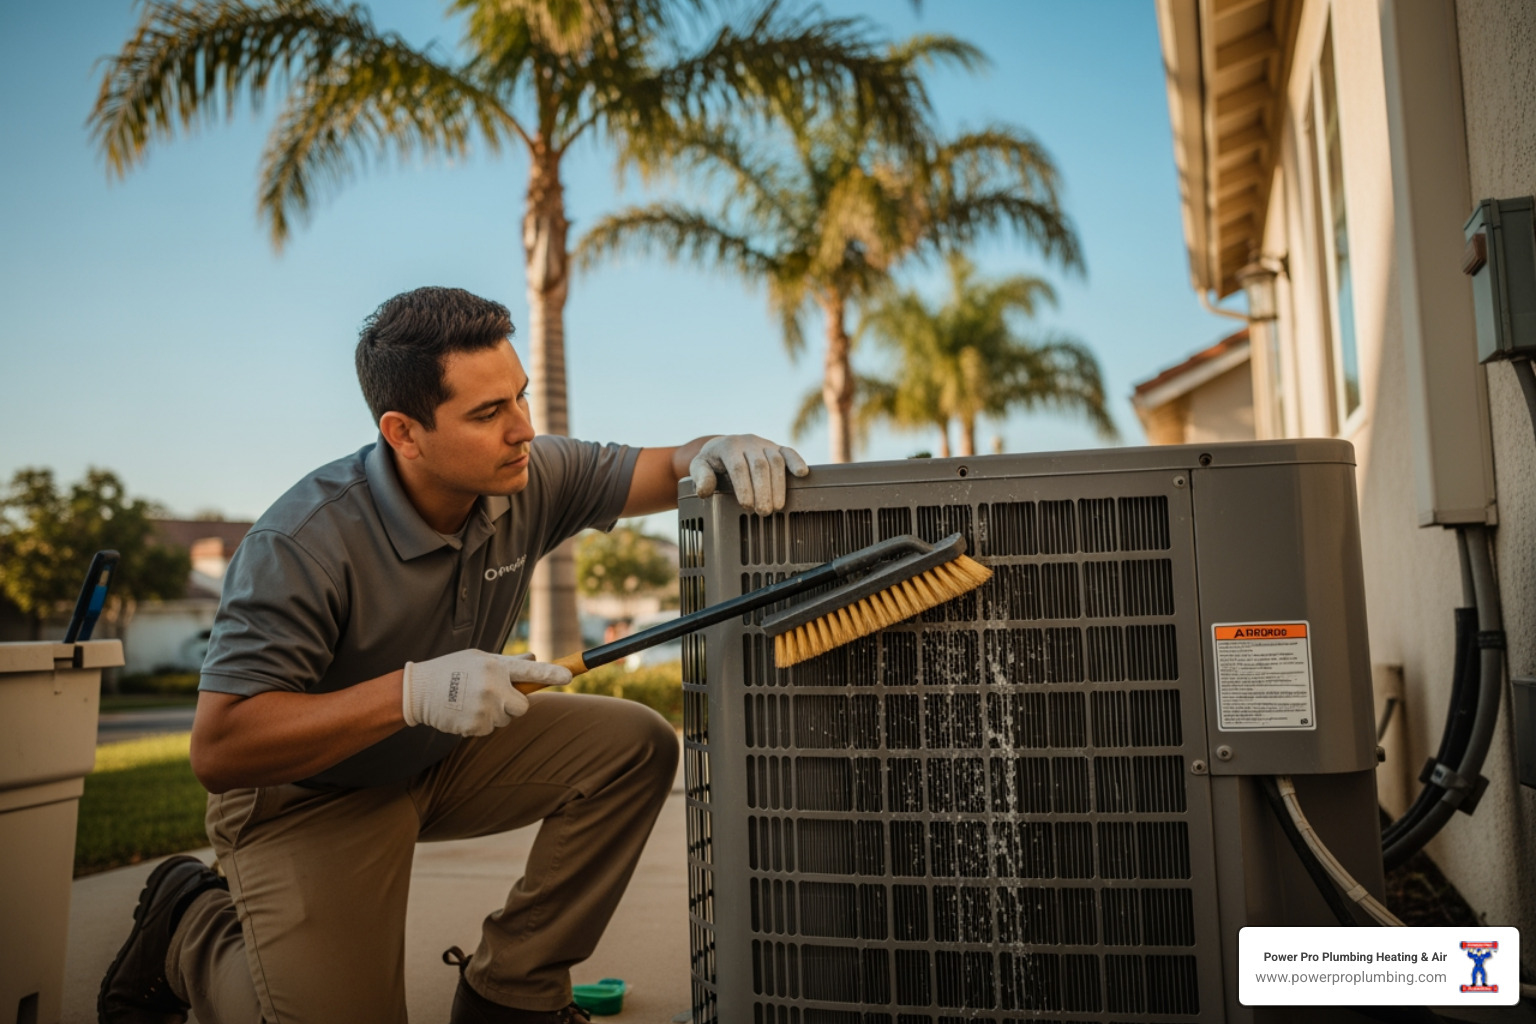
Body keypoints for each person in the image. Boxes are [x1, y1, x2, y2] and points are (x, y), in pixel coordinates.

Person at [98, 286, 809, 1024]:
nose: (523, 429)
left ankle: (512, 993)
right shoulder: (301, 544)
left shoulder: (529, 474)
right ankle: (192, 928)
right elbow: (220, 747)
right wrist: (412, 694)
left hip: (441, 759)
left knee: (635, 747)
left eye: (520, 396)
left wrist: (718, 448)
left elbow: (668, 468)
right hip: (310, 794)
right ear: (404, 433)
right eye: (487, 413)